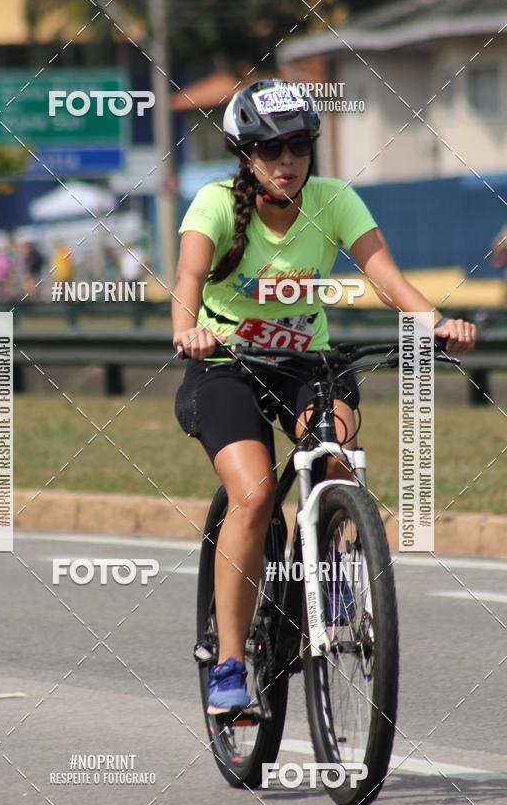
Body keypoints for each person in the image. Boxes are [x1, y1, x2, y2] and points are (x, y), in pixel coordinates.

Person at [172, 79, 476, 715]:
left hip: (307, 365)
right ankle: (230, 664)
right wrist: (188, 329)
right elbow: (188, 278)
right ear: (246, 155)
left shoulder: (334, 199)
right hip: (225, 366)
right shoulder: (214, 204)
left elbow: (384, 274)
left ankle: (333, 566)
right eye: (272, 149)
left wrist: (434, 321)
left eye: (300, 147)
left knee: (337, 458)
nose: (288, 161)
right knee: (253, 496)